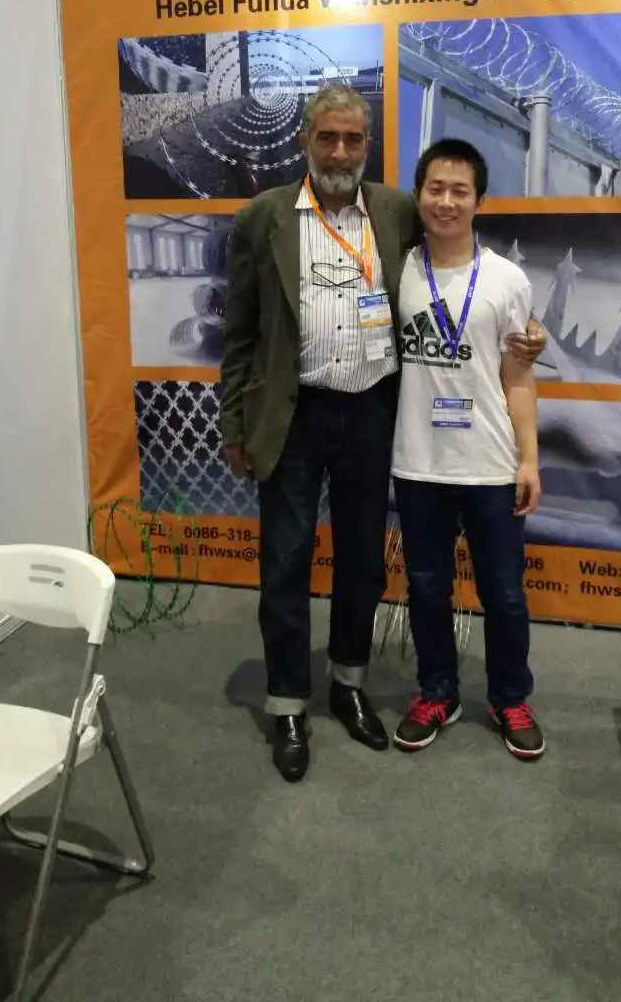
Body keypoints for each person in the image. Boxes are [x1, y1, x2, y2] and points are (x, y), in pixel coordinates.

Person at [220, 86, 547, 783]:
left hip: (373, 413)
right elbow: (239, 333)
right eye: (327, 137)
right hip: (292, 414)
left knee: (363, 563)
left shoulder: (396, 211)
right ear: (305, 140)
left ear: (368, 146)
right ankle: (287, 703)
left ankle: (348, 682)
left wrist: (529, 339)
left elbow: (471, 288)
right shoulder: (262, 218)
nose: (340, 152)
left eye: (353, 140)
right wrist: (234, 425)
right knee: (285, 562)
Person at [390, 138, 545, 762]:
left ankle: (510, 698)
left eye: (460, 191)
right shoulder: (397, 271)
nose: (446, 202)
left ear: (479, 200)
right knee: (426, 589)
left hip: (490, 462)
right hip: (418, 461)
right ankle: (438, 692)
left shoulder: (507, 280)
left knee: (504, 593)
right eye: (436, 189)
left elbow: (519, 377)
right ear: (418, 195)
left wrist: (528, 459)